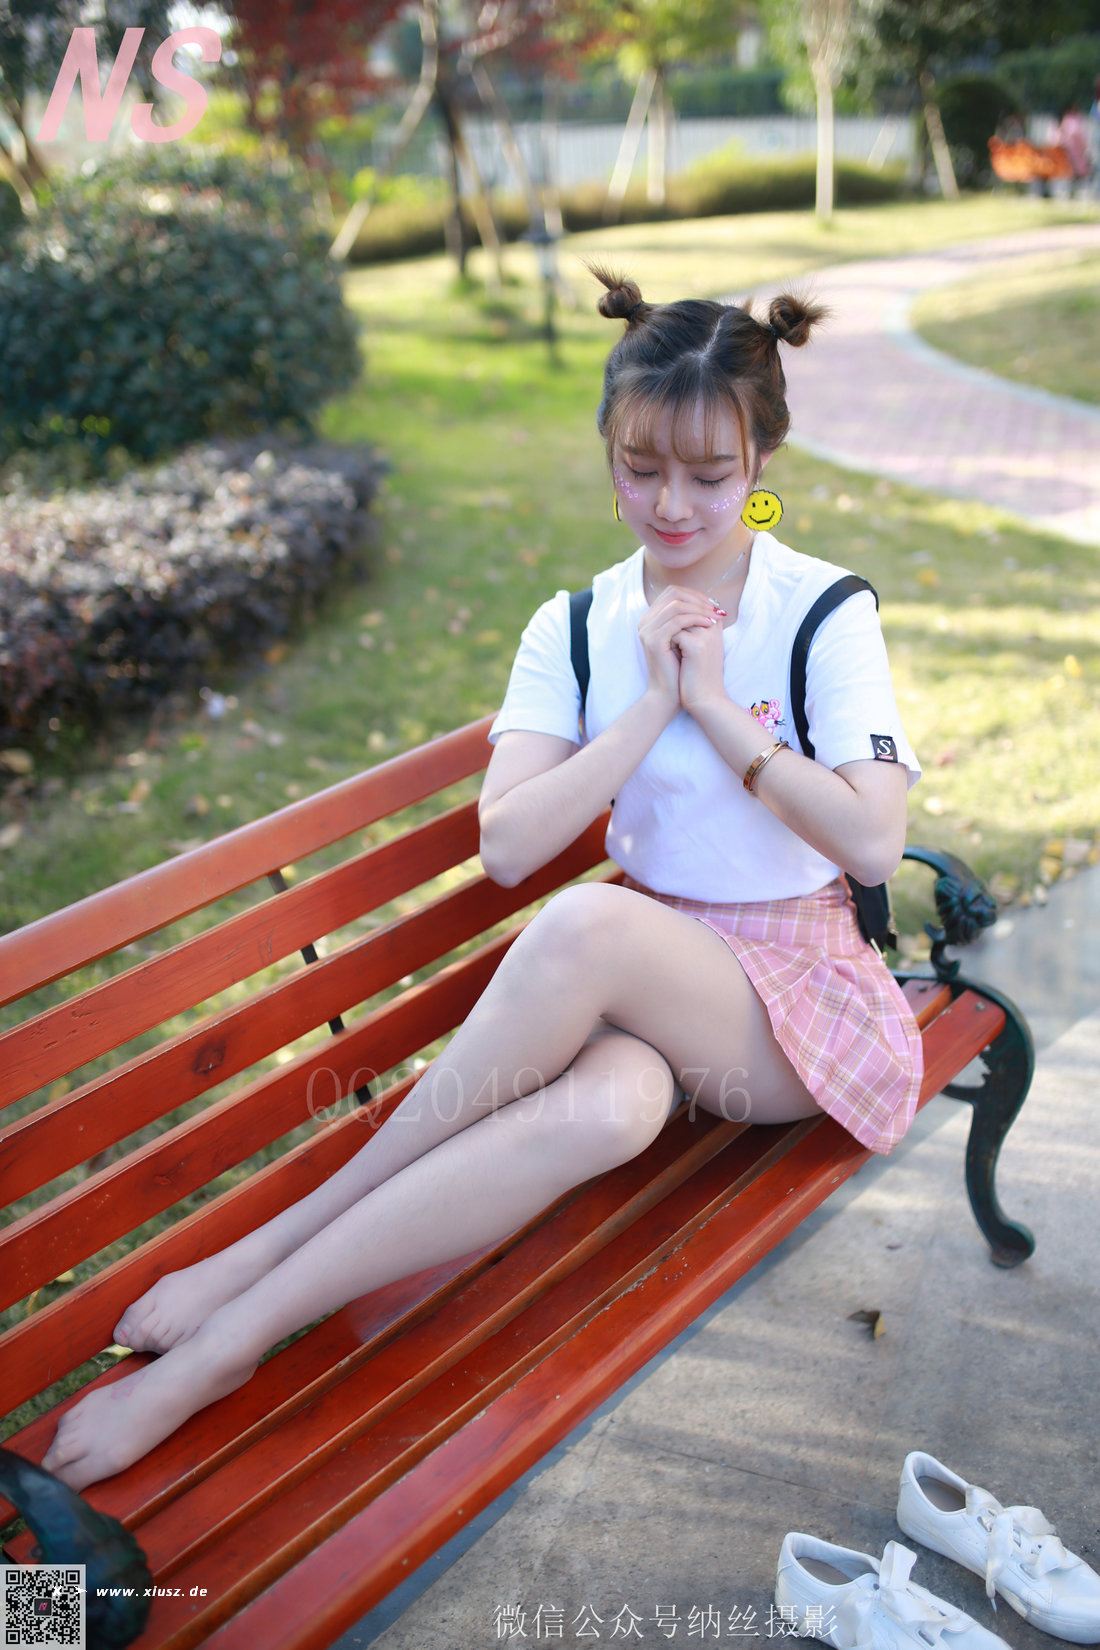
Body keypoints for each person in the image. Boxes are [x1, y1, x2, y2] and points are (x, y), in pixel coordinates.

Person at [42, 269, 924, 1492]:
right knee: (603, 1109)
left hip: (788, 1011)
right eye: (639, 469)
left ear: (762, 459)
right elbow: (505, 844)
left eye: (709, 475)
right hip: (643, 996)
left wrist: (716, 710)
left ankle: (243, 1298)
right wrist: (645, 707)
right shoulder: (574, 627)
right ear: (607, 449)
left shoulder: (820, 611)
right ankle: (251, 1314)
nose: (670, 506)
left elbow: (870, 845)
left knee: (585, 925)